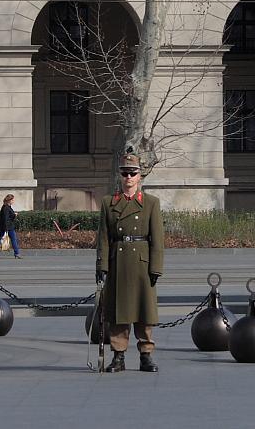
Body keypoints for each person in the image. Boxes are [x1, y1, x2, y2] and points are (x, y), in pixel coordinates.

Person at [95, 153, 164, 373]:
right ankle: (119, 356)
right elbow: (104, 238)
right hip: (118, 262)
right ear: (120, 175)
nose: (128, 177)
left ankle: (146, 355)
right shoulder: (109, 202)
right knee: (118, 311)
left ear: (139, 176)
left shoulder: (151, 203)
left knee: (144, 311)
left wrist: (156, 267)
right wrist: (102, 266)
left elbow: (158, 238)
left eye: (132, 173)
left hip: (141, 263)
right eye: (125, 173)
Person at [0, 194, 21, 259]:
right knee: (3, 240)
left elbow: (9, 216)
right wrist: (14, 215)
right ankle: (16, 253)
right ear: (9, 200)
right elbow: (5, 219)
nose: (13, 201)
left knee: (11, 239)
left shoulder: (7, 207)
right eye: (12, 200)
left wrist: (14, 215)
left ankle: (16, 253)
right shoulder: (6, 208)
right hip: (7, 227)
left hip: (8, 227)